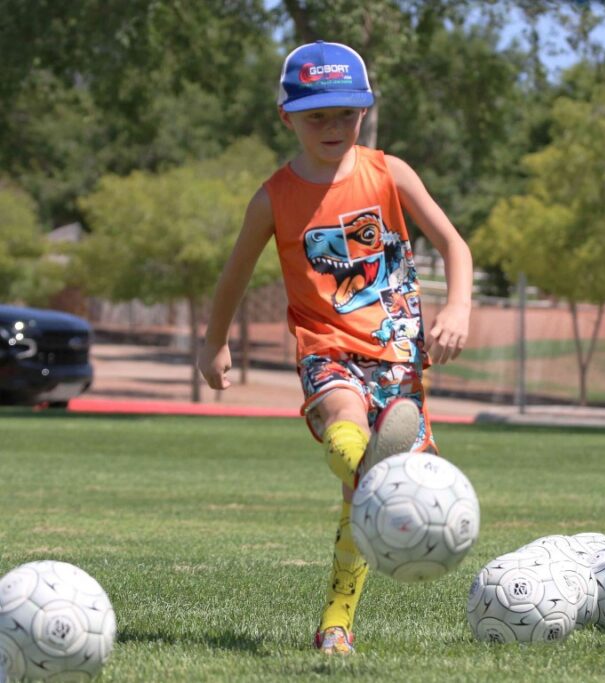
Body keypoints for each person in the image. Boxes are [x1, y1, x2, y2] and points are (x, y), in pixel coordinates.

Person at [197, 40, 473, 655]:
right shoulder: (274, 198)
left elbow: (455, 245)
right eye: (316, 114)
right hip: (326, 347)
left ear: (365, 112)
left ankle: (335, 623)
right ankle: (373, 468)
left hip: (398, 356)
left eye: (345, 113)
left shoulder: (389, 173)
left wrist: (457, 307)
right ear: (286, 117)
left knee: (359, 499)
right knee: (344, 419)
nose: (332, 126)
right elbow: (234, 274)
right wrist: (214, 343)